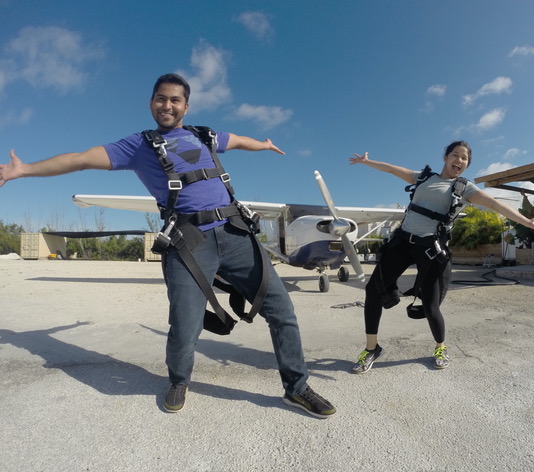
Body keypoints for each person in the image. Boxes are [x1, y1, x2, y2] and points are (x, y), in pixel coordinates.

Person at [0, 73, 336, 418]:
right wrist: (24, 170)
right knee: (185, 323)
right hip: (190, 242)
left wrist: (263, 145)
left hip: (236, 233)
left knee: (282, 311)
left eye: (175, 100)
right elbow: (80, 158)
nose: (167, 105)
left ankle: (296, 388)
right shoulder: (138, 145)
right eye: (161, 98)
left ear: (185, 106)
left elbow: (237, 141)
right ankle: (178, 380)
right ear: (151, 103)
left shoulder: (205, 135)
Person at [348, 141, 534, 372]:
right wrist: (367, 162)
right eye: (455, 155)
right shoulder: (424, 178)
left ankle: (440, 347)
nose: (459, 160)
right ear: (445, 157)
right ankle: (371, 348)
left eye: (464, 158)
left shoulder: (464, 188)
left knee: (431, 305)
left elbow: (496, 205)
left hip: (430, 247)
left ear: (467, 164)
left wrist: (528, 222)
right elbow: (393, 169)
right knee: (373, 291)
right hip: (402, 241)